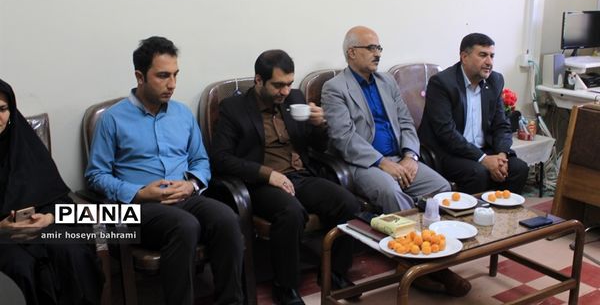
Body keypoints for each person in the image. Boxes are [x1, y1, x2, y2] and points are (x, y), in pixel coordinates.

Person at [85, 37, 244, 305]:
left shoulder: (182, 114)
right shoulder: (112, 119)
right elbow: (96, 175)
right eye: (162, 76)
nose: (172, 84)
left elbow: (200, 161)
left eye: (175, 75)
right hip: (139, 208)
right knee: (184, 225)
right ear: (140, 77)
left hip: (185, 197)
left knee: (227, 219)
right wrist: (139, 192)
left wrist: (191, 184)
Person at [210, 50, 360, 305]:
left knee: (348, 203)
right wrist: (267, 174)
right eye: (278, 85)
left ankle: (334, 272)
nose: (285, 91)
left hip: (301, 175)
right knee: (291, 213)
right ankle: (286, 286)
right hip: (261, 183)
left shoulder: (295, 99)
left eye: (289, 84)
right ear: (259, 80)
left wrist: (319, 126)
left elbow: (316, 146)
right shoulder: (234, 108)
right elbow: (221, 158)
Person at [321, 26, 451, 213]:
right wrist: (382, 162)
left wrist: (410, 156)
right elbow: (344, 138)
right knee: (392, 194)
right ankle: (410, 231)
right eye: (371, 48)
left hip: (399, 157)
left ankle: (429, 229)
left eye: (379, 48)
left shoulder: (387, 81)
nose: (378, 54)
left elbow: (406, 122)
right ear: (352, 52)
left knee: (442, 188)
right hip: (363, 164)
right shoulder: (335, 88)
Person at [0, 79, 103, 305]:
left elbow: (56, 197)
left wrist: (48, 218)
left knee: (72, 251)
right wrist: (2, 228)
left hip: (41, 228)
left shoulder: (25, 145)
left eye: (2, 109)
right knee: (20, 268)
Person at [419, 33, 528, 194]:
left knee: (519, 168)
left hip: (484, 150)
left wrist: (502, 155)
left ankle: (501, 210)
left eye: (492, 56)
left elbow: (501, 125)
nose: (489, 62)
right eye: (483, 55)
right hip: (449, 152)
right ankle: (472, 211)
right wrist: (483, 159)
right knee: (478, 174)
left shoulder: (495, 81)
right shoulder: (442, 83)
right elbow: (446, 133)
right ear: (464, 57)